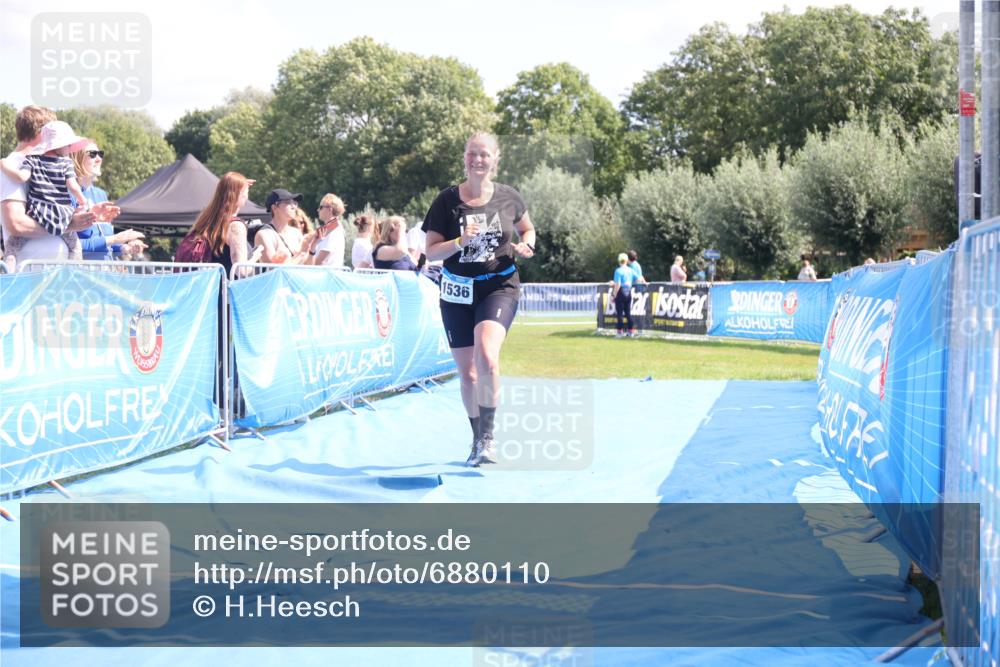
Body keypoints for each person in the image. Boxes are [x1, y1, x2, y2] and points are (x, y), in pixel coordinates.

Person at [423, 131, 536, 467]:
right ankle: (477, 439)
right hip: (457, 290)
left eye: (484, 154)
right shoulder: (446, 201)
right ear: (464, 157)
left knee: (487, 355)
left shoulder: (508, 197)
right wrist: (459, 241)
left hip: (497, 284)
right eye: (472, 153)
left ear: (495, 159)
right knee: (468, 373)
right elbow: (430, 252)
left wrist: (527, 245)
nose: (478, 159)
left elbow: (527, 229)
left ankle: (488, 438)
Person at [1, 106, 110, 268]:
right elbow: (17, 224)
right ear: (42, 134)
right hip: (31, 277)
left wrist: (87, 215)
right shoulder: (14, 165)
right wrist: (69, 225)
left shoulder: (49, 163)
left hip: (52, 276)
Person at [70, 141, 145, 260]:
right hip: (82, 272)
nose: (99, 158)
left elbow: (105, 240)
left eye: (100, 154)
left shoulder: (101, 194)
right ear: (77, 159)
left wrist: (124, 247)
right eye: (92, 154)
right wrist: (114, 239)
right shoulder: (70, 194)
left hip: (106, 270)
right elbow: (71, 245)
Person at [187, 171, 256, 276]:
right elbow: (241, 270)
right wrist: (256, 256)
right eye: (246, 193)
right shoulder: (236, 226)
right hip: (225, 289)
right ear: (241, 195)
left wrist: (234, 185)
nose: (247, 197)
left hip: (207, 288)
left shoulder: (207, 220)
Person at [256, 188, 320, 264]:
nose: (294, 207)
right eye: (288, 203)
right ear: (274, 207)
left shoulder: (296, 233)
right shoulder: (264, 234)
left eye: (295, 203)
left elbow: (307, 267)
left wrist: (312, 249)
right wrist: (302, 253)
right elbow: (273, 270)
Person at [312, 193, 346, 267]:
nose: (318, 210)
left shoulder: (333, 229)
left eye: (321, 207)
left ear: (330, 209)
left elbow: (321, 259)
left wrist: (307, 265)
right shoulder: (333, 227)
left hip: (326, 275)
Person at [613, 252, 638, 338]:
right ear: (627, 261)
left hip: (621, 292)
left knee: (620, 313)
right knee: (628, 313)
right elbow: (638, 278)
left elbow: (618, 284)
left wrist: (614, 294)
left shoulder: (618, 271)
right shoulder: (630, 270)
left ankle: (620, 332)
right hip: (628, 292)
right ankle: (631, 331)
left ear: (619, 261)